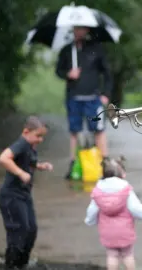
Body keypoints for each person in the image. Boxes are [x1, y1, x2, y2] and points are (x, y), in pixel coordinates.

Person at [55, 26, 113, 180]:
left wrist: (106, 94)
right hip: (73, 97)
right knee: (75, 131)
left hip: (93, 98)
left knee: (99, 130)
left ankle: (105, 164)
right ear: (72, 29)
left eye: (82, 28)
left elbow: (107, 73)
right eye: (76, 28)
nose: (79, 31)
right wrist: (68, 74)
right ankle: (74, 163)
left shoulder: (96, 49)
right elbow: (58, 70)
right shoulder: (67, 50)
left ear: (87, 30)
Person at [0, 116, 53, 269]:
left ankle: (22, 263)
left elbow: (28, 161)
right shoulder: (21, 143)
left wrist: (40, 166)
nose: (40, 140)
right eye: (38, 136)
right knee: (18, 231)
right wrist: (21, 173)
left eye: (42, 136)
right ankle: (11, 264)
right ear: (26, 131)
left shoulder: (29, 146)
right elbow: (3, 158)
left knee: (31, 230)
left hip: (23, 195)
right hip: (11, 196)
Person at [85, 157, 142, 270]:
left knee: (112, 256)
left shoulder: (98, 192)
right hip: (124, 231)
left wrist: (89, 220)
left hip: (107, 232)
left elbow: (92, 210)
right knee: (128, 255)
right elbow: (135, 208)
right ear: (122, 174)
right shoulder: (126, 191)